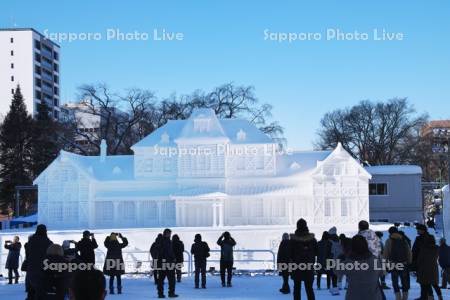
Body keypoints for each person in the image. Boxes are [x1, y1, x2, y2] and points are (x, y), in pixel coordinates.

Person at [336, 235, 383, 300]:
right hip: (373, 296)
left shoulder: (348, 262)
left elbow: (336, 271)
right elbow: (382, 273)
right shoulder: (375, 260)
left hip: (354, 296)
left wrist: (341, 257)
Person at [289, 218, 317, 300]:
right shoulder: (312, 239)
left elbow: (290, 254)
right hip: (309, 267)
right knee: (309, 289)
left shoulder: (293, 240)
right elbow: (316, 252)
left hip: (296, 267)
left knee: (297, 289)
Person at [412, 224, 443, 300]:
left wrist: (413, 263)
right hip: (432, 264)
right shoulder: (433, 244)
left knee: (424, 282)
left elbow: (414, 252)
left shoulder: (419, 240)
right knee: (432, 282)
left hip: (422, 263)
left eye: (418, 229)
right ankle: (434, 297)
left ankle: (426, 297)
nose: (417, 231)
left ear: (422, 230)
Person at [383, 226, 411, 300]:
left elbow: (386, 254)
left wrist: (385, 264)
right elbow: (409, 252)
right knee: (404, 282)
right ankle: (405, 298)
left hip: (393, 264)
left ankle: (398, 298)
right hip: (404, 263)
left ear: (390, 233)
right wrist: (409, 262)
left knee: (395, 282)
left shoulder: (389, 241)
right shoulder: (404, 239)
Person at [27, 224, 53, 299]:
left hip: (31, 268)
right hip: (42, 268)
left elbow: (28, 253)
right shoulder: (47, 241)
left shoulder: (31, 240)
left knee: (31, 291)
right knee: (41, 290)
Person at [155, 228, 178, 298]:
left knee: (161, 279)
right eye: (169, 233)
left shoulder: (161, 241)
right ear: (166, 233)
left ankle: (161, 293)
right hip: (168, 263)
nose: (170, 235)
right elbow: (169, 252)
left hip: (163, 263)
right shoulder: (166, 241)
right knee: (171, 279)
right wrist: (173, 258)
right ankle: (170, 293)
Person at [328, 227, 341, 295]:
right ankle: (336, 287)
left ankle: (335, 288)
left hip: (331, 259)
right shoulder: (339, 239)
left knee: (332, 275)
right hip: (338, 259)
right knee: (336, 275)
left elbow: (330, 251)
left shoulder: (330, 241)